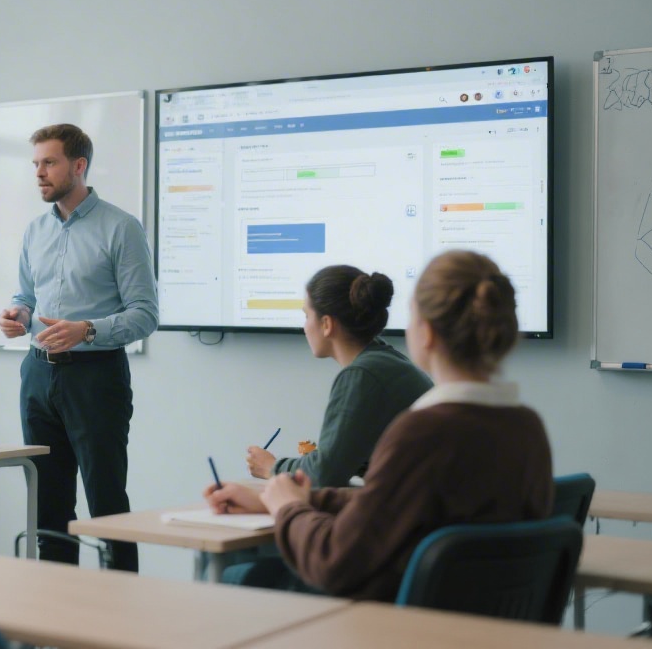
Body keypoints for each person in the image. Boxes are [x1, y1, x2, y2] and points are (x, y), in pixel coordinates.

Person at [206, 250, 554, 599]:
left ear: (426, 333)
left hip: (396, 619)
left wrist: (288, 508)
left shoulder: (420, 433)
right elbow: (385, 504)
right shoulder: (527, 429)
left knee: (239, 573)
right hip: (475, 627)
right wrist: (281, 499)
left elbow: (334, 561)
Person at [0, 123, 158, 572]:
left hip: (96, 378)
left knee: (107, 503)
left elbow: (145, 314)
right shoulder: (34, 231)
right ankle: (55, 622)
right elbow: (27, 295)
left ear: (79, 165)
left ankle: (118, 622)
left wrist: (86, 329)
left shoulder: (121, 228)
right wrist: (18, 316)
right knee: (48, 505)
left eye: (49, 163)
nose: (39, 174)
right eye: (35, 164)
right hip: (38, 375)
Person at [245, 266, 432, 488]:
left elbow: (323, 475)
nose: (304, 327)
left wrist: (272, 468)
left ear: (326, 324)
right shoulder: (386, 362)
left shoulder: (361, 375)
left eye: (306, 315)